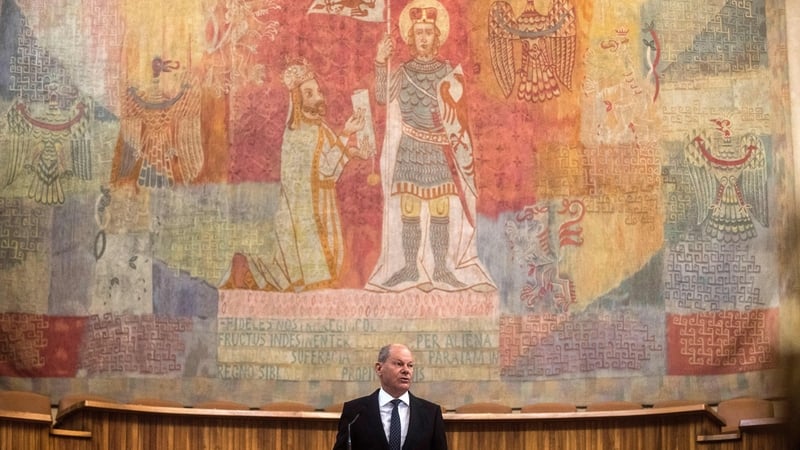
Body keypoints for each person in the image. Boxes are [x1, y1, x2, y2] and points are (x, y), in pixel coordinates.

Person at [366, 0, 495, 293]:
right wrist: (379, 61)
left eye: (428, 32)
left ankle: (440, 269)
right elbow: (383, 98)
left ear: (437, 37)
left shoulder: (449, 72)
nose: (423, 37)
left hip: (439, 150)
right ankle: (410, 268)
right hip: (411, 148)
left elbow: (460, 117)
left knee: (440, 210)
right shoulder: (402, 70)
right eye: (418, 32)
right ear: (410, 38)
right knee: (409, 209)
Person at [223, 58, 370, 291]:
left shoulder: (319, 127)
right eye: (309, 93)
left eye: (317, 91)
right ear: (298, 100)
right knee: (302, 275)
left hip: (321, 207)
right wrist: (346, 134)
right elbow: (326, 168)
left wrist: (354, 152)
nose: (318, 97)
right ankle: (247, 269)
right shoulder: (298, 133)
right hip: (304, 215)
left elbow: (330, 169)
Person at [332, 344, 448, 450]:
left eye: (410, 365)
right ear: (379, 368)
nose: (406, 370)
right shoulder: (354, 412)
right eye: (399, 364)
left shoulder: (431, 413)